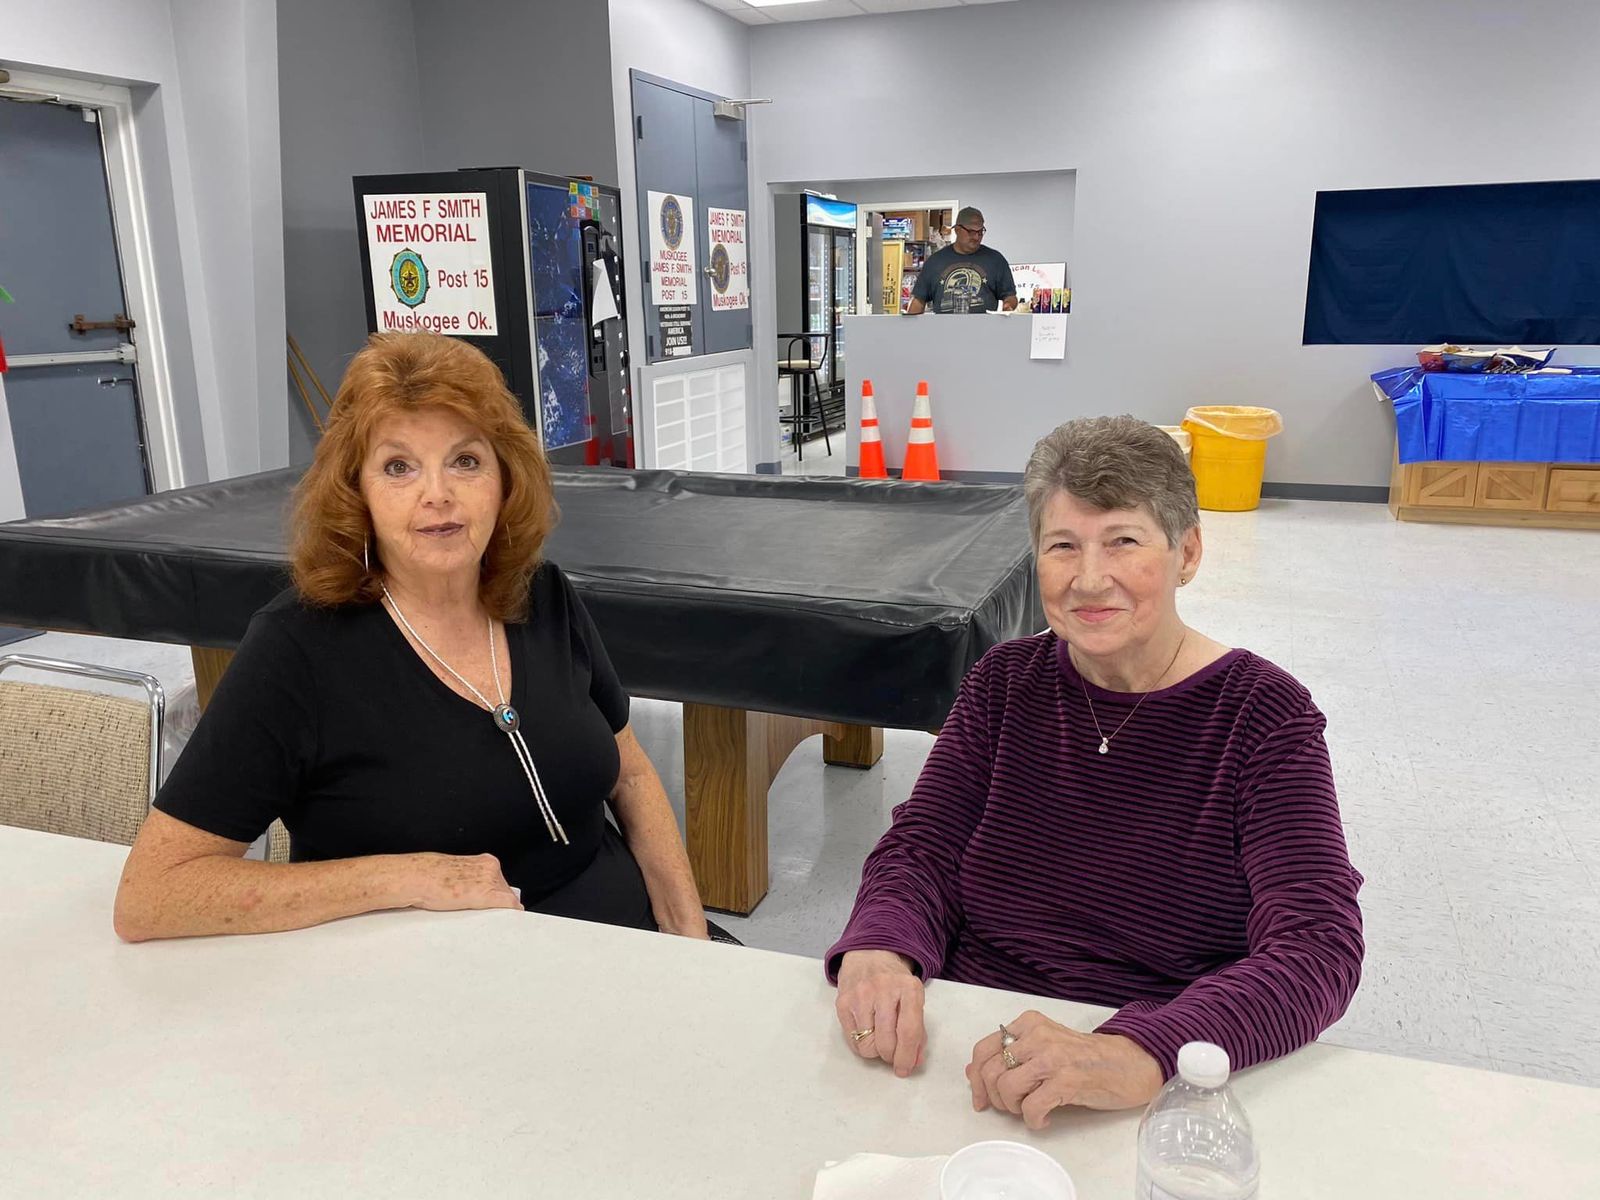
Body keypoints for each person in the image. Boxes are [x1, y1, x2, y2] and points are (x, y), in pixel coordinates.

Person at [827, 415, 1363, 1127]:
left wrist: (1141, 1051)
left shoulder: (1263, 715)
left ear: (1188, 552)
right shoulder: (1003, 682)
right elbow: (923, 846)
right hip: (970, 1037)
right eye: (1062, 546)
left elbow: (1316, 946)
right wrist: (881, 946)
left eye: (1123, 542)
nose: (1088, 579)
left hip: (1154, 1066)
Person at [114, 332, 709, 942]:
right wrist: (405, 877)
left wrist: (692, 941)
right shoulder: (296, 649)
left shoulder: (542, 593)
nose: (438, 494)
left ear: (505, 478)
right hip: (431, 978)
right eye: (398, 467)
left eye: (465, 461)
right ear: (357, 492)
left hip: (622, 947)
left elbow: (631, 775)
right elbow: (153, 894)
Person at [906, 206, 1018, 314]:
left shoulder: (996, 260)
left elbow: (1010, 296)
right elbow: (918, 300)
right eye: (971, 232)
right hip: (944, 327)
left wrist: (1008, 306)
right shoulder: (934, 262)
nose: (976, 237)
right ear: (957, 230)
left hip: (985, 327)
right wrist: (908, 322)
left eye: (980, 232)